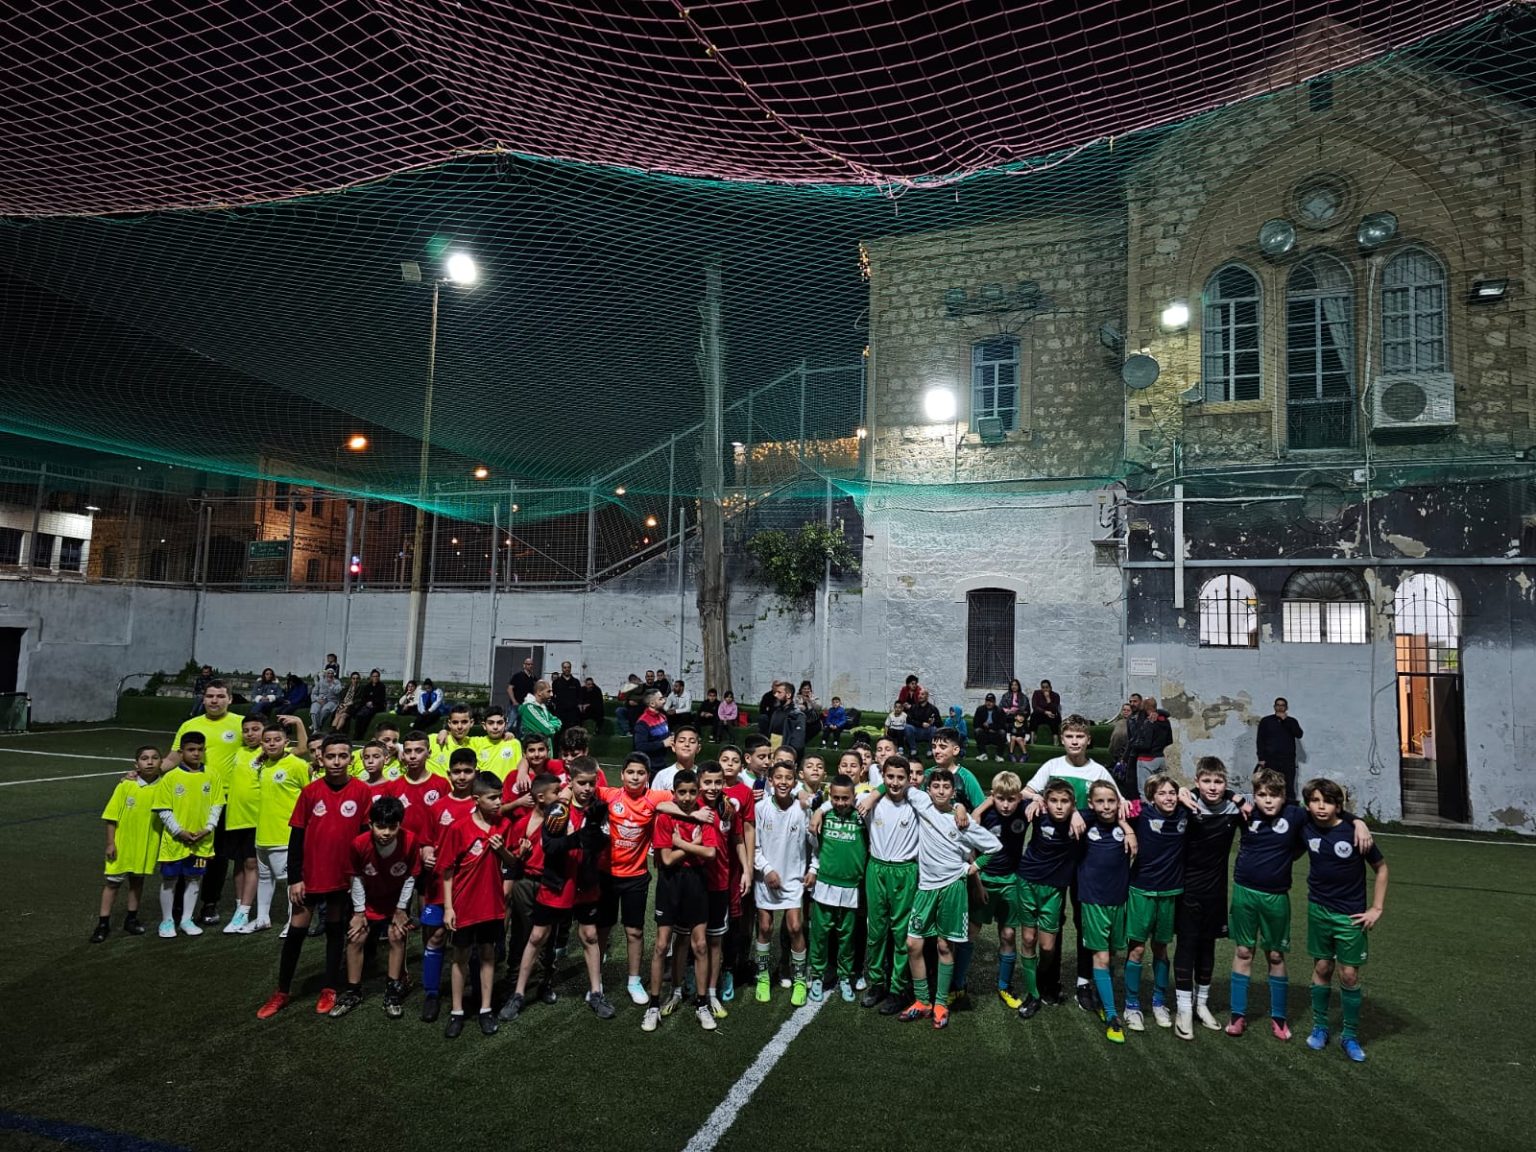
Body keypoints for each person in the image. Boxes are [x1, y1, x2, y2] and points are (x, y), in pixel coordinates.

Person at [255, 735, 372, 1019]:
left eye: (342, 756)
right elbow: (296, 838)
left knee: (334, 929)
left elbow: (364, 837)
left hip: (342, 876)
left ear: (351, 759)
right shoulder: (310, 792)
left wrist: (360, 876)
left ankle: (329, 987)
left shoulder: (361, 791)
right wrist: (295, 878)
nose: (336, 761)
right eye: (330, 756)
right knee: (296, 931)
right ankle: (282, 991)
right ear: (321, 758)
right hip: (310, 876)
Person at [595, 753, 712, 1006]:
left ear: (648, 777)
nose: (635, 777)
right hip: (607, 874)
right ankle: (597, 981)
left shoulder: (654, 797)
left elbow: (683, 798)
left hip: (636, 876)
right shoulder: (610, 795)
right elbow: (580, 788)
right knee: (602, 929)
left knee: (635, 931)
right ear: (622, 775)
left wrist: (702, 812)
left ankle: (634, 980)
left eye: (640, 773)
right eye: (630, 772)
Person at [1021, 713, 1120, 1010]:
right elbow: (1026, 791)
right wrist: (1037, 799)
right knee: (1054, 921)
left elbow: (1118, 804)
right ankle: (1048, 982)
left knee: (1082, 919)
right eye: (1069, 736)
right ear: (1062, 739)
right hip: (1055, 860)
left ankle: (1083, 981)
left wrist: (1127, 828)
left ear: (1088, 740)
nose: (1075, 742)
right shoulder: (1052, 767)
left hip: (1086, 858)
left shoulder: (1099, 771)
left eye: (1080, 736)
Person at [897, 768, 1002, 1029]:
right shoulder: (922, 803)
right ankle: (922, 1000)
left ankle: (941, 1003)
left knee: (945, 946)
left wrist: (973, 868)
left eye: (946, 787)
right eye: (936, 786)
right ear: (928, 790)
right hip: (925, 888)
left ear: (953, 791)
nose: (941, 791)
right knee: (913, 944)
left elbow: (994, 846)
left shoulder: (962, 822)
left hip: (953, 888)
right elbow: (895, 781)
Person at [1302, 777, 1387, 1062]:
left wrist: (1376, 908)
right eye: (1315, 801)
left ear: (1338, 806)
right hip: (1318, 909)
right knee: (1322, 967)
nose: (1321, 807)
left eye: (1328, 802)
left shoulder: (1354, 833)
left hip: (1350, 916)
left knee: (1348, 974)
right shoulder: (1306, 825)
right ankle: (1320, 1027)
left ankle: (1349, 1035)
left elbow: (1381, 868)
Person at [1225, 768, 1305, 1040]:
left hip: (1276, 896)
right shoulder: (1246, 813)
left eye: (1274, 795)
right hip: (1244, 892)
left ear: (1284, 796)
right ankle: (1237, 1016)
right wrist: (1235, 797)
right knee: (1243, 951)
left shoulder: (1295, 815)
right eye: (1261, 795)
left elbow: (1330, 817)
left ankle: (1279, 1018)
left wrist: (1358, 822)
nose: (1268, 800)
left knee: (1275, 955)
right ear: (1254, 795)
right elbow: (1212, 794)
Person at [439, 771, 516, 1038]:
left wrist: (501, 849)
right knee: (460, 957)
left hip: (492, 905)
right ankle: (457, 1011)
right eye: (492, 798)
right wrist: (448, 907)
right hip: (464, 905)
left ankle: (485, 1009)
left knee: (487, 954)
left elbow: (513, 862)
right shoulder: (458, 828)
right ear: (476, 800)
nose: (499, 802)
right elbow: (447, 871)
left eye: (500, 797)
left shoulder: (504, 825)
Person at [330, 794, 420, 1019]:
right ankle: (353, 991)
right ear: (370, 824)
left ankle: (392, 990)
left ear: (400, 825)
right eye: (380, 826)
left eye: (392, 827)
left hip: (395, 901)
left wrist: (401, 909)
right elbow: (356, 877)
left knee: (397, 935)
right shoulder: (359, 844)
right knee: (356, 936)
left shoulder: (410, 841)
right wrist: (359, 912)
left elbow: (411, 876)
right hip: (369, 899)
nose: (386, 833)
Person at [166, 679, 246, 926]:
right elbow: (173, 758)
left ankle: (210, 903)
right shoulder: (190, 725)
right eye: (210, 696)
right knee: (187, 849)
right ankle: (179, 905)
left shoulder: (241, 724)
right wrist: (144, 772)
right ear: (203, 698)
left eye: (220, 696)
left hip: (227, 800)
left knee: (218, 856)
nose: (214, 700)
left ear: (230, 699)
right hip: (193, 800)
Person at [854, 754, 920, 1015]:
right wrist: (874, 794)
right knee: (877, 930)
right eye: (889, 777)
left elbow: (945, 804)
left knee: (901, 933)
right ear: (882, 777)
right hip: (877, 868)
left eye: (900, 778)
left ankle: (898, 988)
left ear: (908, 779)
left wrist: (959, 808)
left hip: (905, 870)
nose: (894, 782)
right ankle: (877, 983)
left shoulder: (917, 802)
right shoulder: (868, 800)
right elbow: (841, 799)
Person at [1122, 773, 1188, 1032]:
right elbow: (1115, 808)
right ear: (1151, 797)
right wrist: (1128, 829)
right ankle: (1131, 1005)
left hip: (1171, 891)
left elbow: (1206, 796)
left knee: (1161, 947)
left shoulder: (1184, 812)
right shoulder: (1141, 811)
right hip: (1141, 889)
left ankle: (1159, 1002)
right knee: (1137, 949)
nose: (1168, 798)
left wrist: (1186, 793)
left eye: (1172, 793)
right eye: (1162, 793)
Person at [1075, 780, 1138, 1043]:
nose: (1106, 806)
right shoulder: (1084, 821)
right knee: (1100, 956)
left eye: (1111, 801)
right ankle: (1112, 1016)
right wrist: (1078, 813)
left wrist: (1127, 827)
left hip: (1119, 901)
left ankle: (1101, 998)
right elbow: (1063, 811)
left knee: (1111, 954)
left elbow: (1155, 802)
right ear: (1091, 803)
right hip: (1093, 901)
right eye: (1099, 801)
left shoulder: (1127, 822)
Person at [1014, 777, 1078, 1019]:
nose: (1059, 806)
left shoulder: (1080, 819)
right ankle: (1033, 994)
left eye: (1065, 801)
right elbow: (1013, 795)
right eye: (1053, 800)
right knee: (1028, 939)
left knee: (1047, 946)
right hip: (1027, 881)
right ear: (1046, 802)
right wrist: (1034, 797)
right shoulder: (1039, 813)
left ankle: (1041, 980)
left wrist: (1078, 814)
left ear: (1073, 804)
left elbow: (1120, 809)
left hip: (1054, 889)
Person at [150, 731, 220, 938]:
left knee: (194, 878)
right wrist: (178, 831)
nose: (196, 753)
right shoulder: (170, 777)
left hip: (202, 841)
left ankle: (186, 920)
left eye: (200, 749)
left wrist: (208, 828)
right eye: (191, 750)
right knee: (170, 879)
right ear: (181, 752)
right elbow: (164, 809)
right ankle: (167, 921)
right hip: (174, 841)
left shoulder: (212, 775)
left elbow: (217, 804)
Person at [967, 771, 1027, 1008]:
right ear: (993, 796)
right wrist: (977, 882)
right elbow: (971, 852)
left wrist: (1035, 799)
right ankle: (958, 984)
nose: (1006, 805)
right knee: (971, 931)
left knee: (1009, 934)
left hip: (1011, 882)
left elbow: (1041, 799)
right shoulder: (983, 816)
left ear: (1019, 798)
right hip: (984, 880)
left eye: (1011, 799)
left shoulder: (1024, 811)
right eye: (1000, 799)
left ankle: (1004, 986)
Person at [753, 760, 811, 1005]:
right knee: (765, 927)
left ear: (795, 782)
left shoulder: (802, 809)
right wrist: (766, 870)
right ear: (770, 780)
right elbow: (753, 845)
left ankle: (799, 979)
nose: (783, 782)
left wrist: (814, 868)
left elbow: (815, 843)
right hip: (765, 878)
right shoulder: (760, 808)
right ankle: (763, 977)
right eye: (778, 777)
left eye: (788, 778)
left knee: (795, 927)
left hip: (793, 878)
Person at [92, 745, 164, 942]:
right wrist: (110, 843)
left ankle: (131, 919)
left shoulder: (165, 787)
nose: (150, 762)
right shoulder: (125, 786)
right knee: (112, 883)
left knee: (137, 881)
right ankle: (103, 923)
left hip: (147, 845)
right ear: (136, 764)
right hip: (122, 845)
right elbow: (111, 817)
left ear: (161, 762)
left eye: (154, 758)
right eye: (144, 758)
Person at [805, 772, 865, 1002]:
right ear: (830, 797)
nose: (840, 802)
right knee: (820, 936)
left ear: (853, 797)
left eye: (845, 798)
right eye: (836, 798)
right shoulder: (824, 816)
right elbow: (816, 847)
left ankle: (845, 977)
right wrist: (821, 810)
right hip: (825, 885)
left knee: (847, 937)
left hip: (851, 886)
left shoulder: (862, 817)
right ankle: (817, 976)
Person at [252, 717, 311, 933]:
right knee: (264, 877)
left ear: (286, 742)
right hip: (262, 833)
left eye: (277, 740)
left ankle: (292, 921)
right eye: (267, 740)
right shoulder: (262, 765)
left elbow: (310, 796)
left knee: (290, 880)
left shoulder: (297, 765)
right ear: (262, 744)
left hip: (286, 834)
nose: (272, 744)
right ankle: (262, 918)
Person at [218, 714, 266, 934]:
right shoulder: (238, 751)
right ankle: (240, 907)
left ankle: (244, 911)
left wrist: (297, 723)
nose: (250, 734)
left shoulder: (268, 752)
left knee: (251, 863)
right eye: (246, 730)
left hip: (255, 818)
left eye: (255, 729)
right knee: (237, 863)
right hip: (234, 817)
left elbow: (301, 748)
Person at [1257, 698, 1305, 802]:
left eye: (1282, 705)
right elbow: (1260, 740)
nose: (1280, 707)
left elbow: (1299, 734)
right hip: (1270, 759)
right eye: (1278, 705)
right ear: (1274, 707)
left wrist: (1285, 720)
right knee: (1271, 784)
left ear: (1286, 708)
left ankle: (1291, 807)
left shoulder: (1292, 721)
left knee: (1289, 786)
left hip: (1288, 760)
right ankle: (1271, 805)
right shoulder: (1266, 721)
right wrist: (1261, 758)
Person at [1128, 697, 1173, 789]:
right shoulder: (1165, 721)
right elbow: (1169, 740)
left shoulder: (1149, 722)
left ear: (1145, 708)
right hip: (1160, 758)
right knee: (1159, 788)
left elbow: (1145, 744)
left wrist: (1133, 744)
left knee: (1145, 790)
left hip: (1146, 759)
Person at [471, 706, 523, 781]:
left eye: (500, 723)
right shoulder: (476, 743)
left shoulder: (514, 743)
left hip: (507, 788)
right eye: (490, 723)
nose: (495, 727)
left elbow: (522, 765)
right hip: (485, 788)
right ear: (484, 726)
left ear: (505, 725)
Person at [652, 724, 701, 792]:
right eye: (681, 741)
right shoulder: (662, 776)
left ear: (698, 748)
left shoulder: (702, 775)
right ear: (673, 746)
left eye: (692, 742)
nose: (687, 744)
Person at [518, 679, 562, 745]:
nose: (551, 694)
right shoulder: (528, 708)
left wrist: (549, 725)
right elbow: (547, 730)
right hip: (534, 747)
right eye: (548, 691)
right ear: (539, 692)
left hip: (546, 747)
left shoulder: (543, 707)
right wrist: (552, 726)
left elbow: (559, 722)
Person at [631, 690, 670, 762]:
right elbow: (640, 746)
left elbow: (666, 736)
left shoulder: (663, 717)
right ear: (652, 704)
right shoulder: (643, 722)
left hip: (662, 761)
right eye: (660, 699)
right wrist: (663, 744)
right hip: (649, 765)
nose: (664, 701)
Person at [902, 688, 940, 759]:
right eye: (919, 694)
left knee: (934, 729)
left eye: (922, 694)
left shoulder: (933, 708)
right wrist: (921, 724)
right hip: (916, 731)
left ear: (927, 696)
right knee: (907, 727)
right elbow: (909, 720)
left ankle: (930, 750)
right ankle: (913, 749)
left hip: (928, 732)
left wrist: (933, 722)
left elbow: (939, 723)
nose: (920, 696)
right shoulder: (913, 707)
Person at [350, 669, 388, 738]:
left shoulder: (381, 686)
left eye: (377, 676)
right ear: (371, 677)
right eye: (374, 676)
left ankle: (361, 734)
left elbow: (381, 698)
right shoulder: (368, 686)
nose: (375, 678)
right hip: (367, 705)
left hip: (377, 706)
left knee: (367, 716)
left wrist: (372, 702)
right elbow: (364, 697)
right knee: (359, 715)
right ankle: (356, 734)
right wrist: (367, 702)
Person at [971, 694, 1008, 761]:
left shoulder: (999, 711)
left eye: (991, 701)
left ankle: (999, 755)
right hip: (985, 734)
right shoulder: (980, 709)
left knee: (1002, 732)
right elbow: (976, 724)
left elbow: (1002, 725)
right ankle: (983, 754)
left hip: (995, 734)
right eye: (987, 701)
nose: (989, 703)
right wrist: (987, 729)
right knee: (977, 731)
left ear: (994, 702)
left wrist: (990, 726)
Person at [550, 661, 584, 732]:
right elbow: (552, 695)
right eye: (565, 667)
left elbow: (580, 695)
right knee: (559, 732)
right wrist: (555, 703)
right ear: (562, 669)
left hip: (572, 713)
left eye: (568, 667)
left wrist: (579, 705)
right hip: (560, 712)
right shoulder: (556, 682)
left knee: (572, 733)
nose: (567, 669)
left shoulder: (576, 682)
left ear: (570, 668)